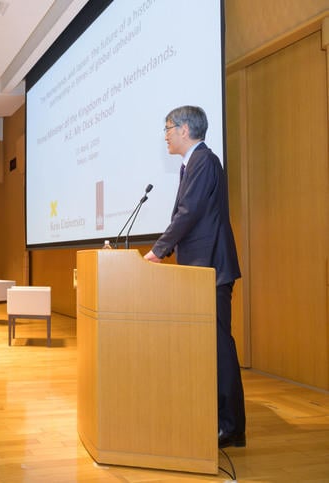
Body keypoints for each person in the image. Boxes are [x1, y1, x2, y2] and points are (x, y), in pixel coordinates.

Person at [143, 105, 245, 448]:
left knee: (219, 348)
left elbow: (189, 213)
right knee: (207, 348)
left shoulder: (203, 161)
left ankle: (231, 428)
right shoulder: (194, 163)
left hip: (211, 269)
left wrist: (159, 250)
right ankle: (215, 419)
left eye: (168, 128)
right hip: (201, 269)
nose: (166, 135)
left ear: (185, 129)